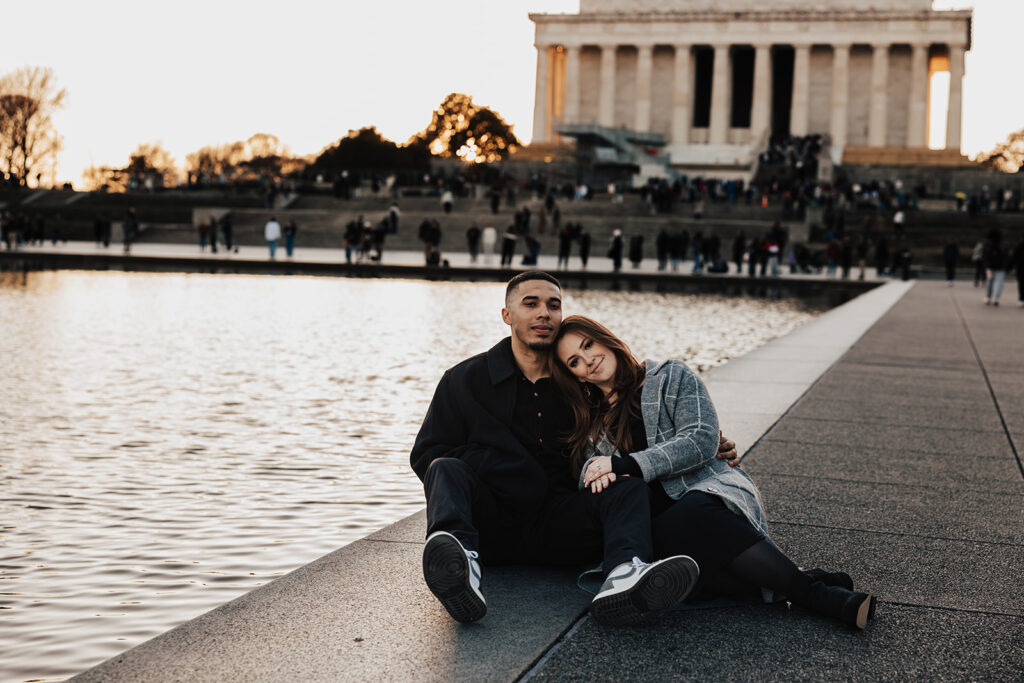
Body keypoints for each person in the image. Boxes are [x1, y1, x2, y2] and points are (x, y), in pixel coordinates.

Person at [411, 273, 708, 626]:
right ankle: (459, 568)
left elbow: (633, 418)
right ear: (507, 315)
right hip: (488, 527)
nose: (544, 313)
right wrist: (502, 466)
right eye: (531, 303)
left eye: (554, 305)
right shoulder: (464, 380)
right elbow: (426, 454)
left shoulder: (580, 382)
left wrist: (711, 440)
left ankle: (624, 576)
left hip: (562, 525)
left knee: (626, 483)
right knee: (445, 467)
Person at [550, 316, 877, 630]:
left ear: (605, 339)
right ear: (577, 377)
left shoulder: (670, 376)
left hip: (707, 493)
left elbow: (701, 439)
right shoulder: (594, 423)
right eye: (575, 361)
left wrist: (625, 466)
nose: (588, 359)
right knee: (672, 550)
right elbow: (589, 473)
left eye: (589, 345)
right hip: (661, 529)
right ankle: (806, 582)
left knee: (697, 512)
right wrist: (596, 472)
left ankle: (818, 596)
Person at [983, 229, 1008, 306]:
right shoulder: (1003, 244)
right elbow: (1006, 256)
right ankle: (996, 298)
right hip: (1001, 267)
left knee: (989, 281)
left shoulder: (987, 244)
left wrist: (986, 266)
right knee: (999, 282)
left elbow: (985, 256)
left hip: (990, 267)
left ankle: (988, 297)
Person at [1011, 233, 1024, 307]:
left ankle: (1021, 299)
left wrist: (1008, 268)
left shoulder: (1019, 247)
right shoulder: (1019, 247)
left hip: (1020, 269)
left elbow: (1013, 258)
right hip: (1020, 269)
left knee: (1021, 284)